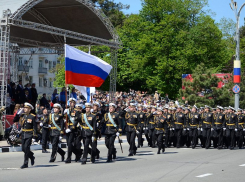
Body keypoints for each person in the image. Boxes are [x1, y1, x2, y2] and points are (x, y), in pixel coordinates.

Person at [13, 102, 37, 169]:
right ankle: (31, 155)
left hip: (29, 134)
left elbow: (35, 127)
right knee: (23, 149)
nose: (25, 109)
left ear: (29, 109)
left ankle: (25, 163)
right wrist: (18, 114)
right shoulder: (22, 115)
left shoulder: (32, 116)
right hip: (23, 134)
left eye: (26, 108)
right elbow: (14, 120)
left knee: (26, 148)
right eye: (24, 108)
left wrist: (34, 137)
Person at [63, 98, 79, 163]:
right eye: (70, 102)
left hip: (73, 129)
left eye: (72, 102)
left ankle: (68, 158)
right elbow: (63, 119)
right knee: (68, 144)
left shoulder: (76, 111)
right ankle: (78, 153)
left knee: (70, 143)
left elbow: (76, 121)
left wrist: (71, 128)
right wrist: (63, 113)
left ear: (74, 103)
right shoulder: (67, 110)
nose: (71, 103)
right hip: (67, 128)